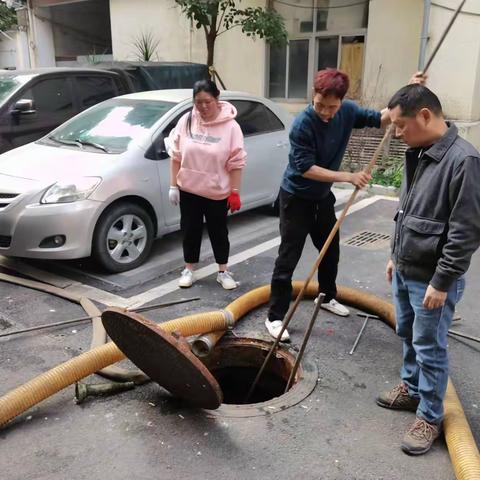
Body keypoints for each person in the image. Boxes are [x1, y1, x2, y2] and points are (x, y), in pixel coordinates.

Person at [265, 68, 415, 342]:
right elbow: (305, 168)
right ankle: (274, 317)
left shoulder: (346, 111)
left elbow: (382, 118)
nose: (325, 111)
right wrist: (348, 176)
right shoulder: (303, 124)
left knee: (330, 250)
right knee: (288, 257)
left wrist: (407, 92)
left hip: (322, 198)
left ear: (341, 102)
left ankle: (326, 296)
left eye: (331, 107)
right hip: (296, 198)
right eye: (320, 104)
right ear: (314, 95)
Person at [376, 84, 480, 455]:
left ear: (425, 115)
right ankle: (412, 387)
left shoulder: (463, 160)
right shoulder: (418, 152)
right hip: (406, 267)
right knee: (408, 332)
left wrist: (442, 281)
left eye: (401, 125)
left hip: (433, 280)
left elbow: (466, 231)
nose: (398, 133)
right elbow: (406, 209)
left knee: (430, 347)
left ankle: (430, 416)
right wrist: (395, 254)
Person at [167, 79, 246, 290]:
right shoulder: (186, 121)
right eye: (198, 102)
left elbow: (236, 162)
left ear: (217, 99)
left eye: (208, 102)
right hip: (189, 189)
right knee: (190, 230)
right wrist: (173, 185)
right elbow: (176, 155)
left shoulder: (231, 127)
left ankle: (223, 270)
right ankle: (189, 268)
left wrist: (235, 192)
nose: (203, 107)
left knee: (218, 232)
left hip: (216, 192)